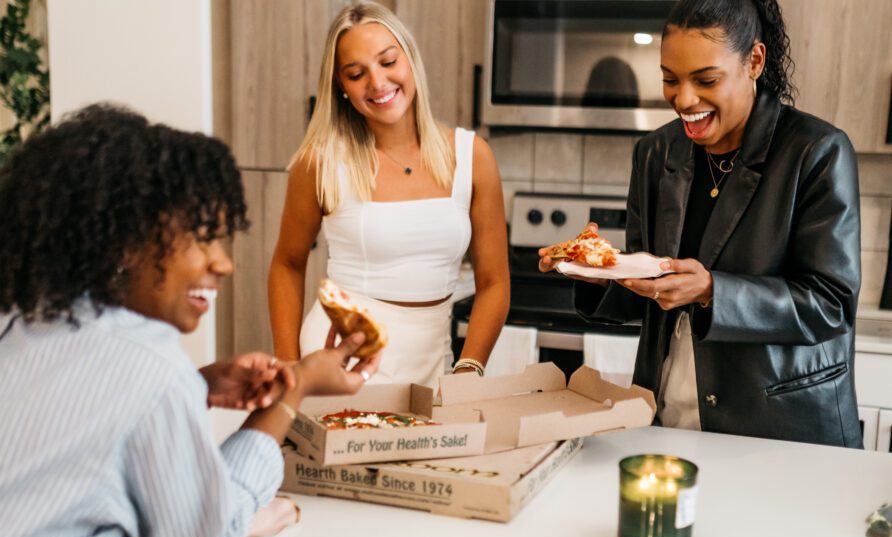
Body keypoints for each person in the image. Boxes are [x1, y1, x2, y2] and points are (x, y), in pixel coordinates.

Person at [0, 104, 378, 537]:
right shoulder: (151, 368)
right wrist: (293, 390)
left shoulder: (23, 318)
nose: (223, 264)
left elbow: (64, 435)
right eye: (201, 240)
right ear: (124, 245)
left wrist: (198, 387)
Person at [541, 0, 862, 447]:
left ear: (754, 61)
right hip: (667, 411)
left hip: (780, 424)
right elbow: (649, 291)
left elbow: (831, 304)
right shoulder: (655, 154)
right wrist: (598, 271)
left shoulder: (816, 151)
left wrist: (713, 290)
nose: (684, 99)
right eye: (670, 79)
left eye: (705, 80)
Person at [268, 1, 510, 388]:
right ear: (341, 88)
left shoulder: (472, 156)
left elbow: (495, 282)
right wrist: (287, 368)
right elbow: (287, 263)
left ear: (410, 59)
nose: (378, 83)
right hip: (339, 366)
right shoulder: (322, 162)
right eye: (356, 73)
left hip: (435, 366)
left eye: (387, 61)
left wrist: (469, 368)